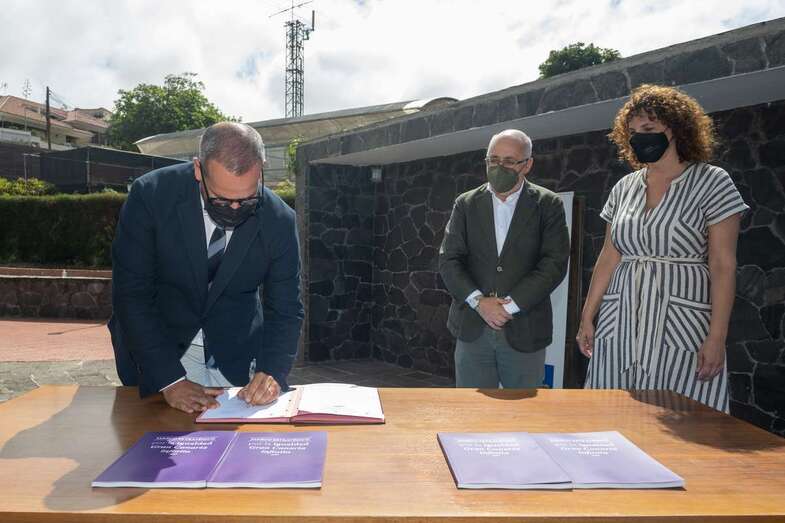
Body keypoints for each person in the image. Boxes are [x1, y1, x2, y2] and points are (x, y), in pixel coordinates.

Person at [109, 122, 303, 413]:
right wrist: (169, 379)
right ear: (198, 169)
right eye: (222, 199)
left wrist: (272, 371)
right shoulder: (150, 196)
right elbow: (132, 295)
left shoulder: (280, 220)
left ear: (260, 169)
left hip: (236, 356)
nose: (235, 209)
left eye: (247, 199)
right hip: (159, 352)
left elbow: (286, 308)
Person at [577, 84, 748, 412]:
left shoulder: (713, 182)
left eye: (648, 129)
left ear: (677, 129)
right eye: (633, 132)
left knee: (682, 413)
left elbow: (722, 264)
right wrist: (587, 316)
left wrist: (717, 337)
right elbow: (609, 255)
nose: (639, 138)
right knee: (611, 408)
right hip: (620, 316)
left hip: (682, 320)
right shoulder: (624, 187)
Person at [439, 129, 570, 388]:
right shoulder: (465, 204)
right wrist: (479, 302)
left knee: (522, 411)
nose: (500, 167)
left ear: (527, 164)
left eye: (509, 161)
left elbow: (554, 263)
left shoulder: (548, 204)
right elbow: (449, 260)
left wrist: (508, 307)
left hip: (525, 330)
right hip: (472, 328)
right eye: (493, 160)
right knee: (471, 411)